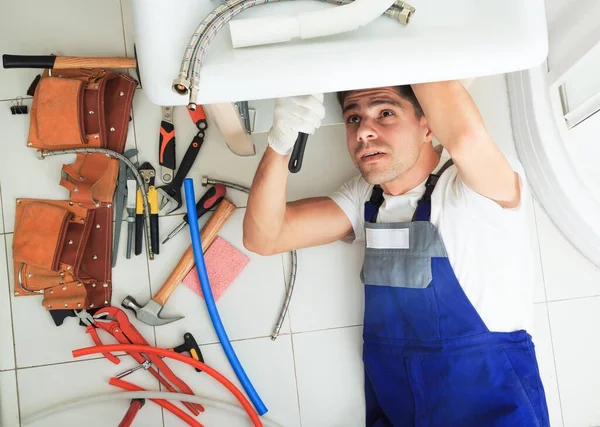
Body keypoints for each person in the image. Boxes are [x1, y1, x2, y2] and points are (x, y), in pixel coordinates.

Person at [242, 81, 550, 426]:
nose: (364, 132)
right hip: (397, 407)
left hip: (488, 406)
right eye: (353, 118)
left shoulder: (473, 187)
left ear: (427, 123)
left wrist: (395, 48)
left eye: (385, 112)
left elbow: (464, 137)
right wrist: (281, 143)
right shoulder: (366, 198)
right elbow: (264, 237)